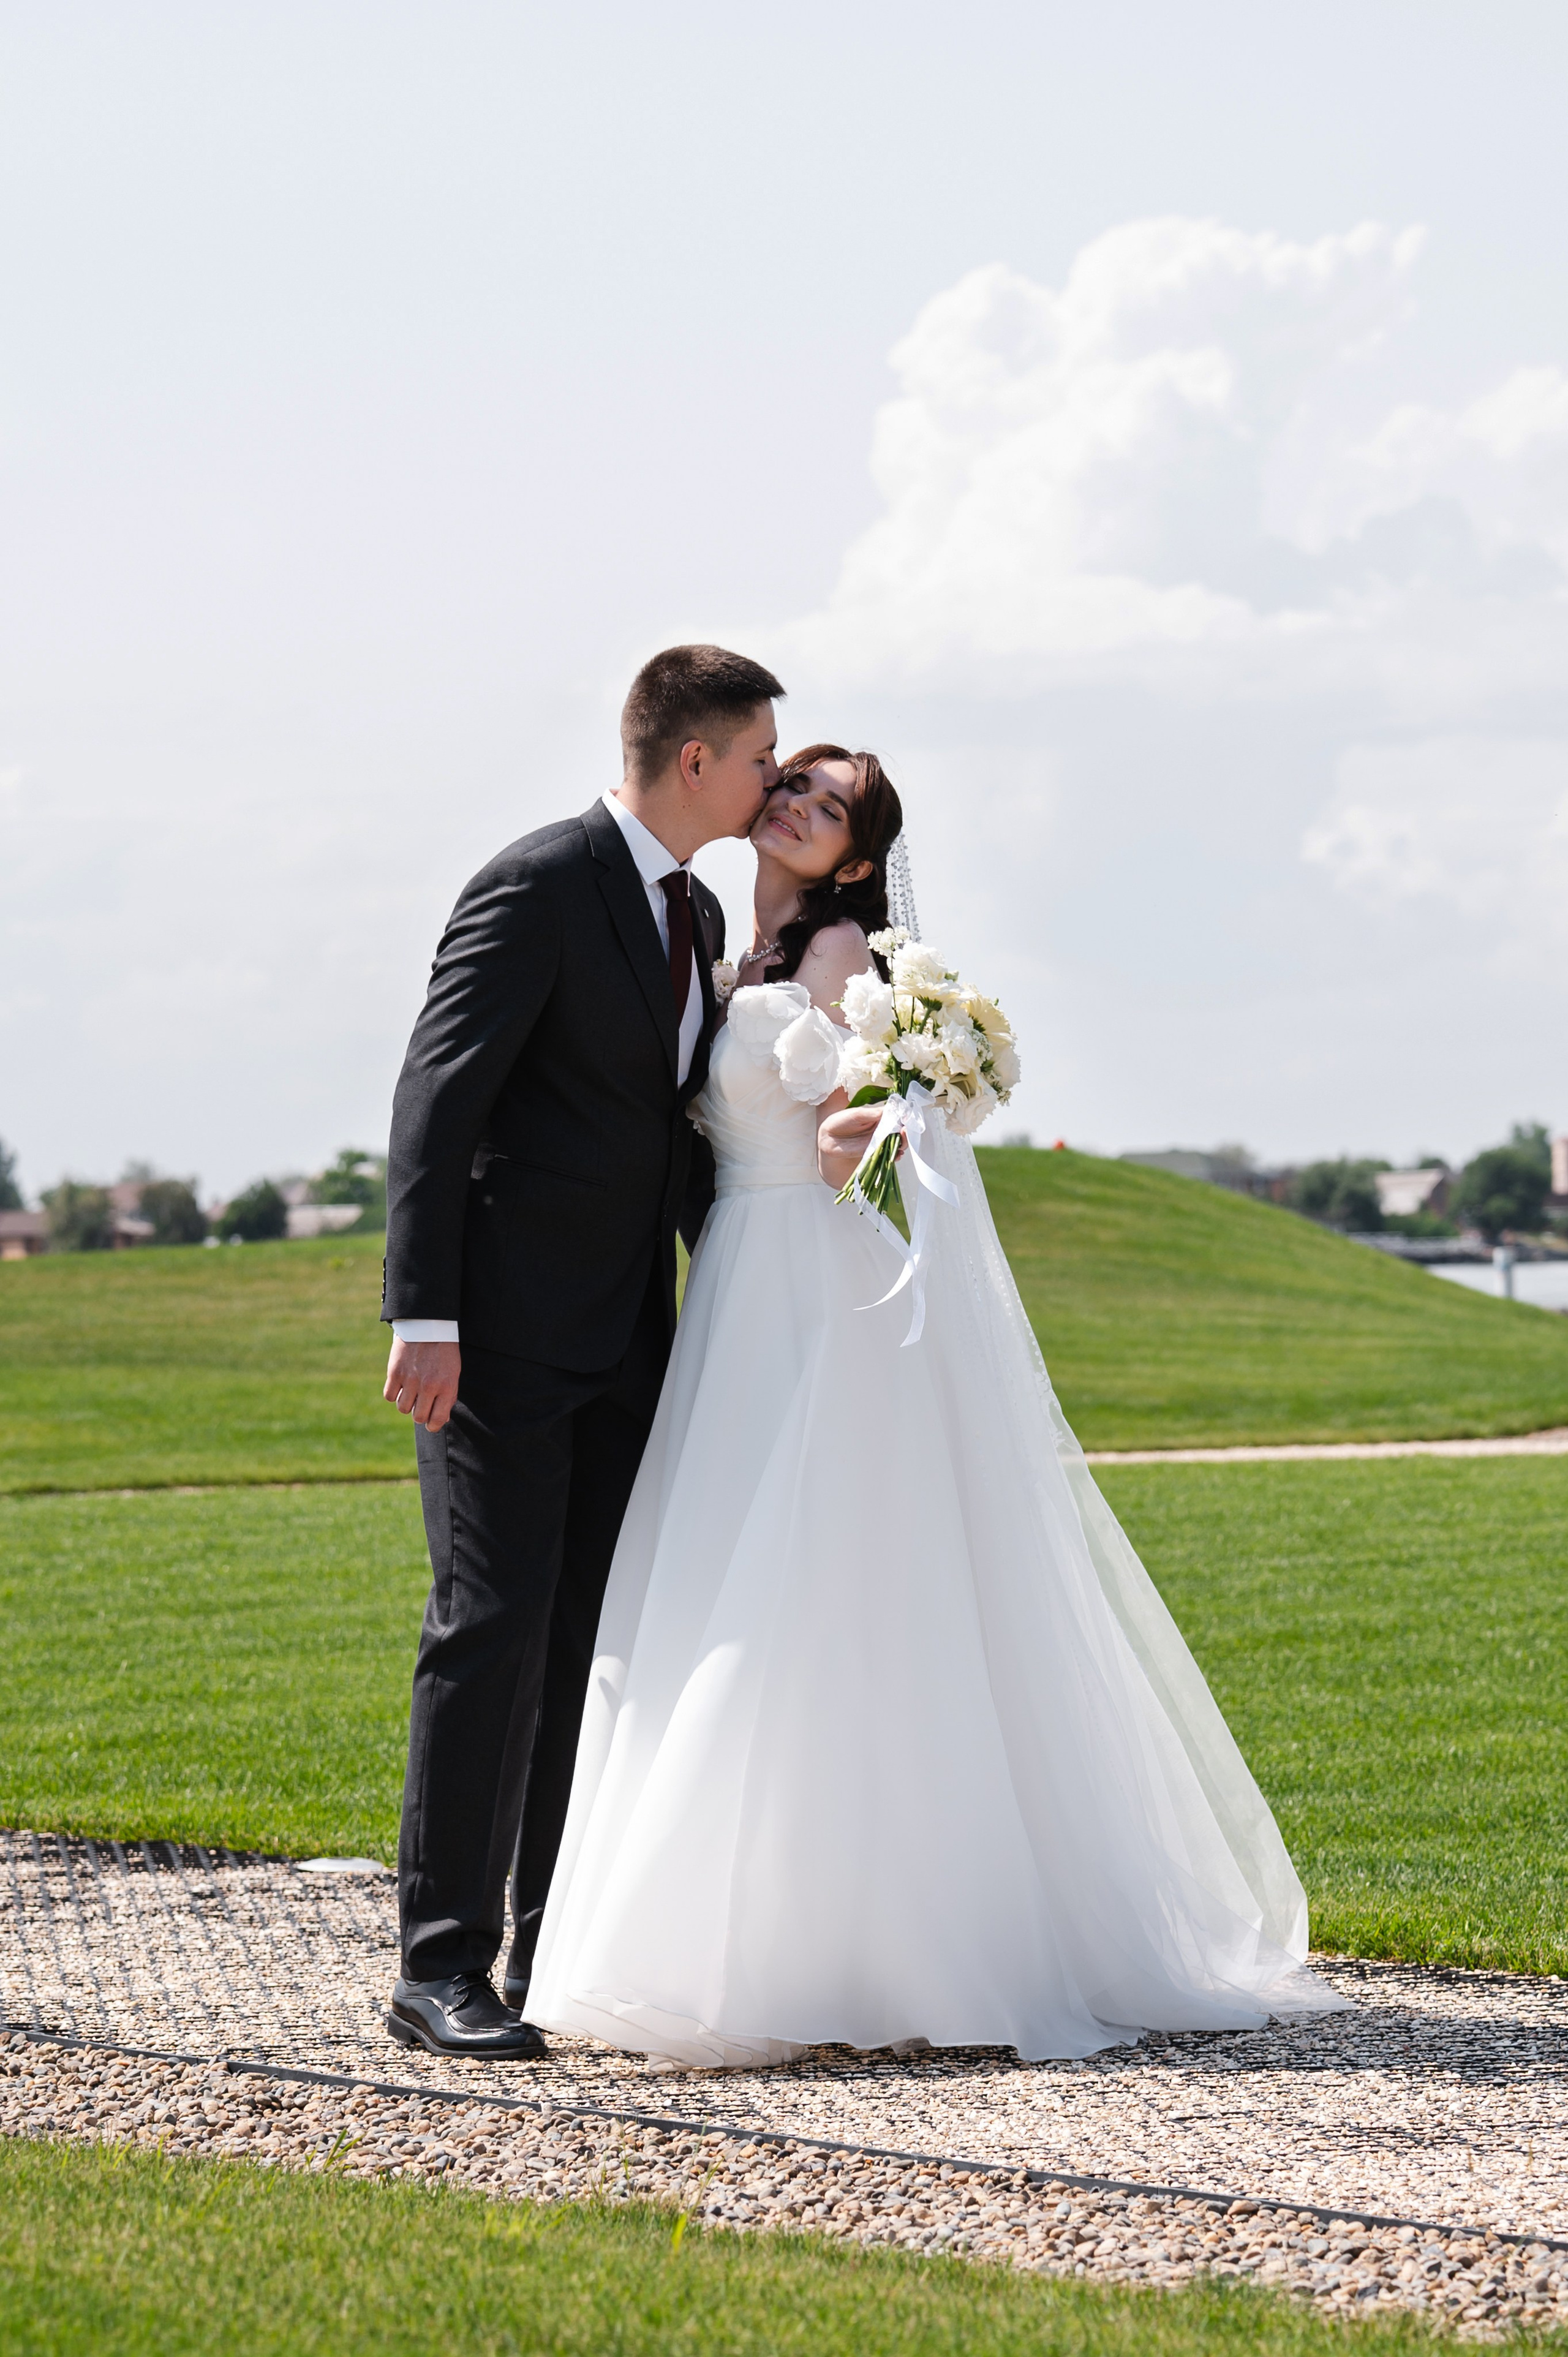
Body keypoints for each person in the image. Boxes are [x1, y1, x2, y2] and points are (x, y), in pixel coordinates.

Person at [525, 745, 1341, 2065]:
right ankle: (763, 1922)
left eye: (827, 803)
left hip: (801, 1273)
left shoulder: (841, 949)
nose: (792, 802)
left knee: (804, 1585)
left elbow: (854, 1126)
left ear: (854, 856)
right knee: (739, 1578)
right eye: (788, 781)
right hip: (739, 1280)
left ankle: (839, 1946)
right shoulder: (733, 949)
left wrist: (886, 1106)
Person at [379, 643, 783, 2056]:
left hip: (630, 1339)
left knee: (590, 1644)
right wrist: (421, 1314)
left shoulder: (692, 907)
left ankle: (550, 1944)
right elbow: (437, 1099)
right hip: (493, 1342)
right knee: (486, 1632)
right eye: (755, 757)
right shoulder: (537, 882)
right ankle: (437, 1966)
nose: (769, 779)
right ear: (693, 760)